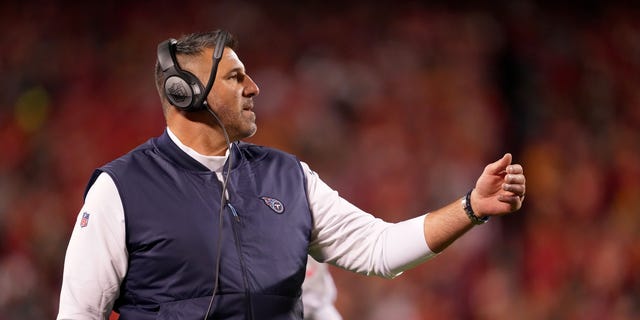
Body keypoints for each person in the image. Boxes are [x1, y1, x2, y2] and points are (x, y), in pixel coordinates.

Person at [57, 29, 526, 320]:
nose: (253, 87)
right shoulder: (119, 190)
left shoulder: (288, 176)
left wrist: (471, 208)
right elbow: (79, 314)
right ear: (186, 93)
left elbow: (380, 249)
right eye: (235, 77)